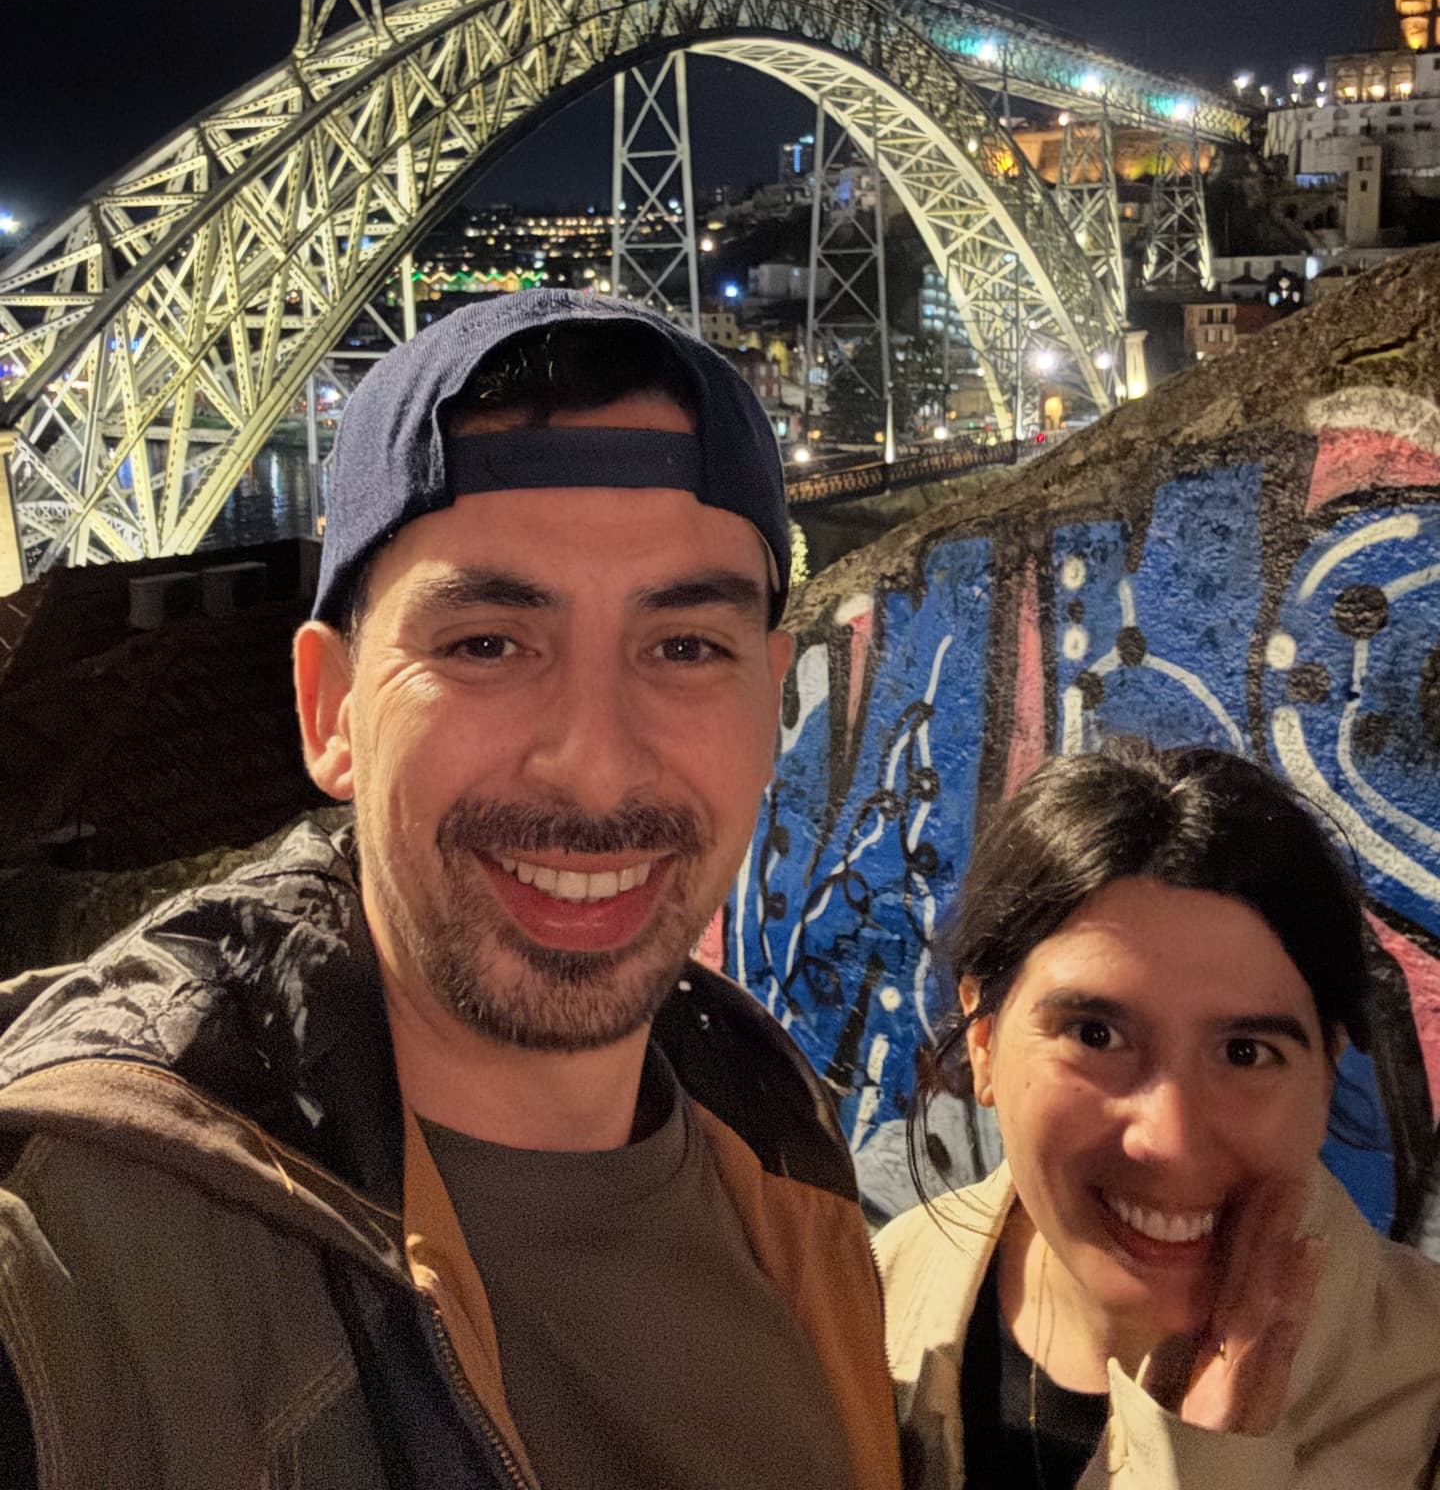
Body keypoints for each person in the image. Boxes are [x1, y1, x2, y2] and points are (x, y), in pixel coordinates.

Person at [0, 290, 902, 1490]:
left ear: (772, 695)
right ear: (330, 712)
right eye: (485, 644)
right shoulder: (70, 1256)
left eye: (686, 647)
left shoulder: (784, 1143)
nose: (595, 759)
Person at [875, 739, 1440, 1490]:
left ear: (1326, 1069)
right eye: (1096, 1036)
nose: (1169, 1140)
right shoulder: (880, 1292)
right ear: (982, 1043)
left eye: (1244, 1052)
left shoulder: (1422, 1389)